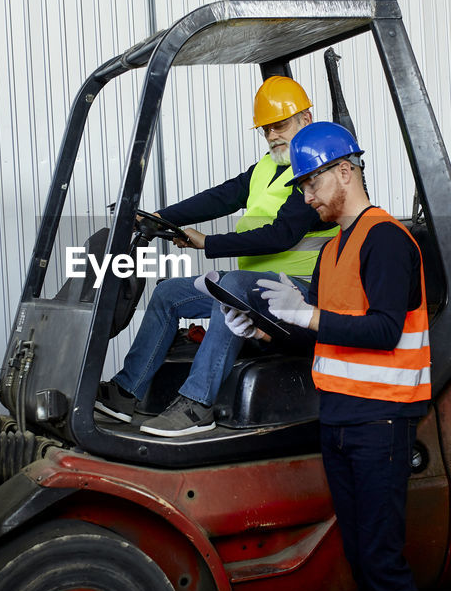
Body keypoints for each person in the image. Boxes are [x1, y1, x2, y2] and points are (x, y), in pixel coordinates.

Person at [250, 122, 441, 591]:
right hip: (340, 418)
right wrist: (271, 329)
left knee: (381, 560)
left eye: (311, 184)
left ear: (345, 170)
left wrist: (304, 315)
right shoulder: (333, 249)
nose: (306, 199)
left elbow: (382, 330)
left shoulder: (385, 239)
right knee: (362, 558)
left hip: (380, 420)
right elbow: (327, 330)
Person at [94, 76, 337, 437]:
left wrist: (207, 243)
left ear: (306, 117)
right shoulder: (266, 168)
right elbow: (220, 197)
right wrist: (159, 217)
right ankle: (126, 392)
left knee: (231, 287)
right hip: (255, 291)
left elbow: (281, 235)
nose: (272, 136)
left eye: (280, 125)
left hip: (298, 295)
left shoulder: (318, 169)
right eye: (266, 129)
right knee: (168, 294)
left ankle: (197, 405)